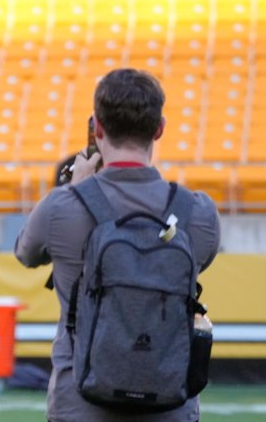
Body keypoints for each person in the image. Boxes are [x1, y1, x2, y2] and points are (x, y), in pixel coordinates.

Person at [14, 68, 220, 422]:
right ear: (159, 129)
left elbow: (26, 253)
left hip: (79, 404)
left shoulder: (62, 206)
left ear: (97, 128)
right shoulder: (198, 212)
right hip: (170, 404)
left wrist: (71, 190)